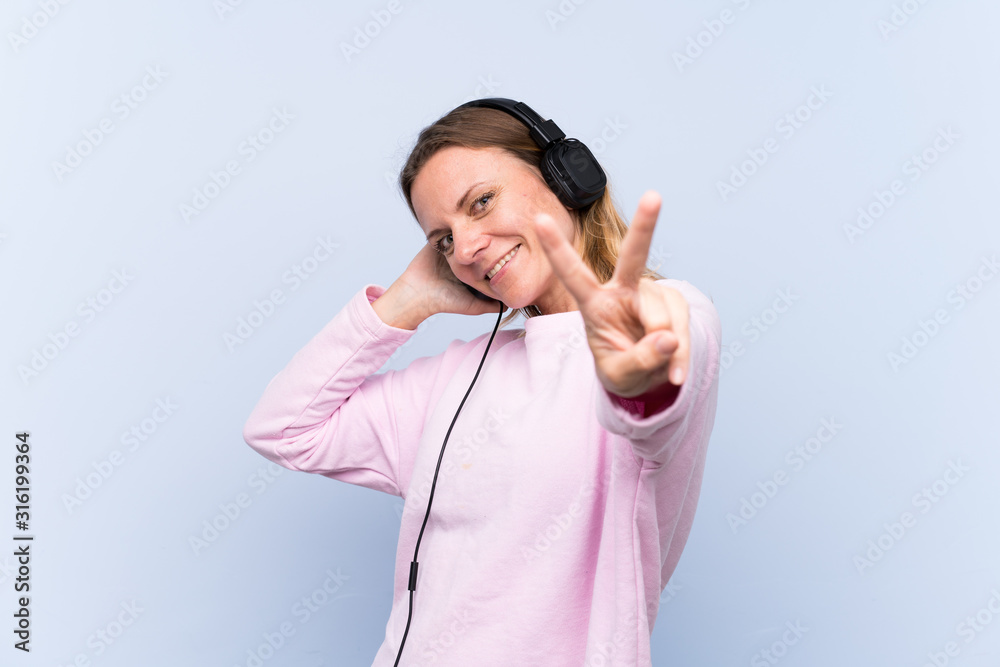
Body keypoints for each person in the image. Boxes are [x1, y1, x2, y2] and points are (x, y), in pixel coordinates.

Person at [242, 99, 722, 666]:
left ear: (565, 177)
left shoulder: (667, 314)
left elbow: (654, 404)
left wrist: (639, 381)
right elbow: (282, 430)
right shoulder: (461, 375)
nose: (466, 248)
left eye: (482, 202)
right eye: (443, 239)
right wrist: (407, 300)